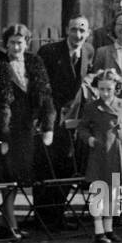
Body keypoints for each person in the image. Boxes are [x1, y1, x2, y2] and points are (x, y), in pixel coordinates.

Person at [0, 24, 55, 239]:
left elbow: (46, 95)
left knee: (19, 177)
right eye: (12, 42)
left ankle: (7, 223)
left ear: (26, 43)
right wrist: (1, 135)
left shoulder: (35, 63)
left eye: (20, 42)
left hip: (28, 130)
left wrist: (48, 126)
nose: (16, 47)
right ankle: (9, 225)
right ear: (6, 44)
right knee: (7, 178)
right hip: (7, 131)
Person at [34, 15, 94, 230]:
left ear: (88, 33)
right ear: (66, 30)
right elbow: (42, 87)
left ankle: (58, 216)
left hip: (73, 118)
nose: (77, 35)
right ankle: (42, 218)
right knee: (47, 167)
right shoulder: (49, 52)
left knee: (67, 167)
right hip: (52, 117)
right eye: (74, 29)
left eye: (82, 30)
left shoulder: (88, 51)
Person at [78, 68, 122, 243]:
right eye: (101, 89)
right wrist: (89, 139)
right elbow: (82, 127)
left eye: (109, 89)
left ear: (117, 88)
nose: (105, 93)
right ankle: (99, 231)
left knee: (114, 192)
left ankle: (109, 229)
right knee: (99, 192)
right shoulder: (92, 106)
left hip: (118, 151)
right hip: (99, 152)